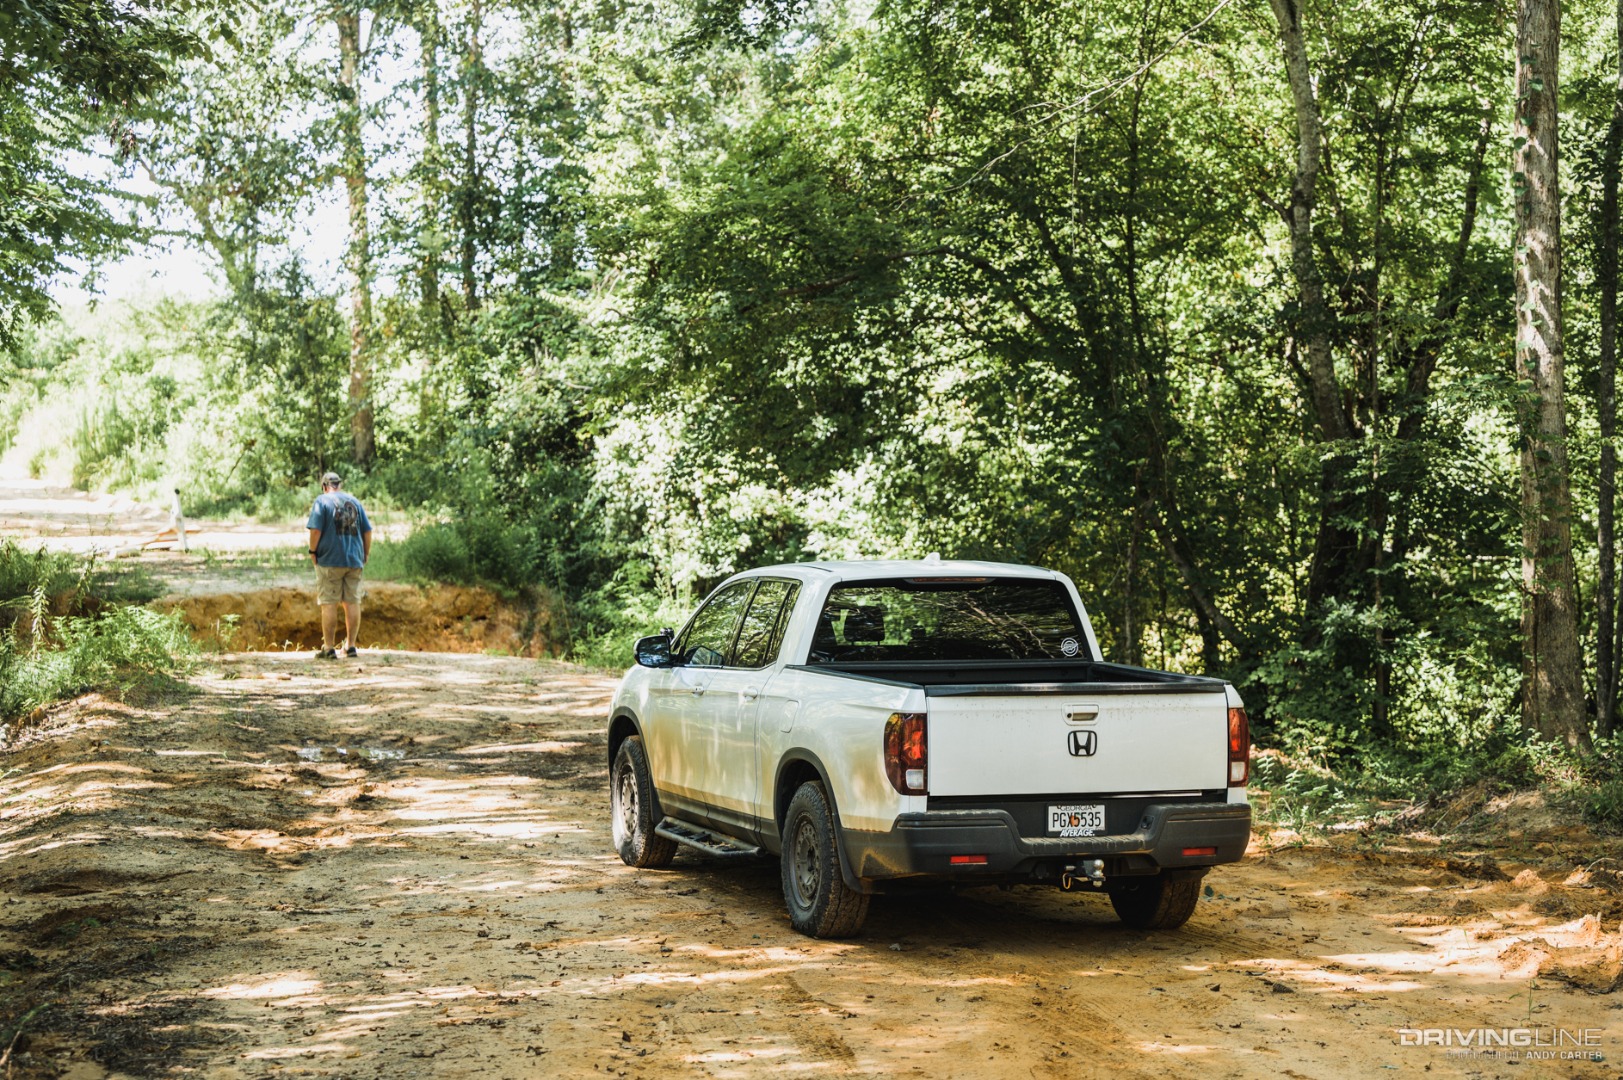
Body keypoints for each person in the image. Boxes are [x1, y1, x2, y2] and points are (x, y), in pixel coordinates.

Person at [307, 471, 372, 660]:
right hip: (354, 560)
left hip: (329, 560)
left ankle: (328, 647)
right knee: (352, 601)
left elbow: (316, 531)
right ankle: (351, 646)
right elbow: (367, 532)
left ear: (325, 486)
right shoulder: (355, 502)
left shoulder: (322, 501)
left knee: (329, 603)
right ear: (339, 485)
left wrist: (313, 552)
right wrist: (365, 553)